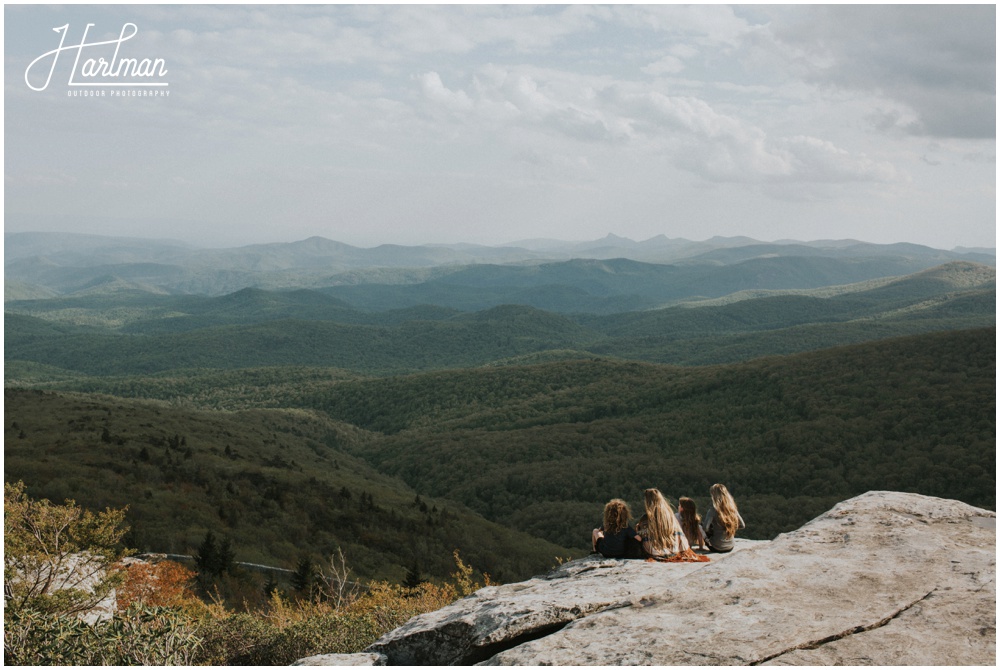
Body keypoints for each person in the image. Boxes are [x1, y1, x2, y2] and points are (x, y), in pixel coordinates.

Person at [635, 488, 690, 559]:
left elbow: (643, 536)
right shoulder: (670, 516)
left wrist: (637, 529)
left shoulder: (646, 518)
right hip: (674, 550)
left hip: (654, 552)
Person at [701, 483, 745, 553]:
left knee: (699, 525)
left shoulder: (713, 510)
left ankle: (700, 546)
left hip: (716, 547)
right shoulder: (732, 509)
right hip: (730, 546)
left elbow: (705, 528)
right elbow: (742, 525)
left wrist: (713, 530)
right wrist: (730, 526)